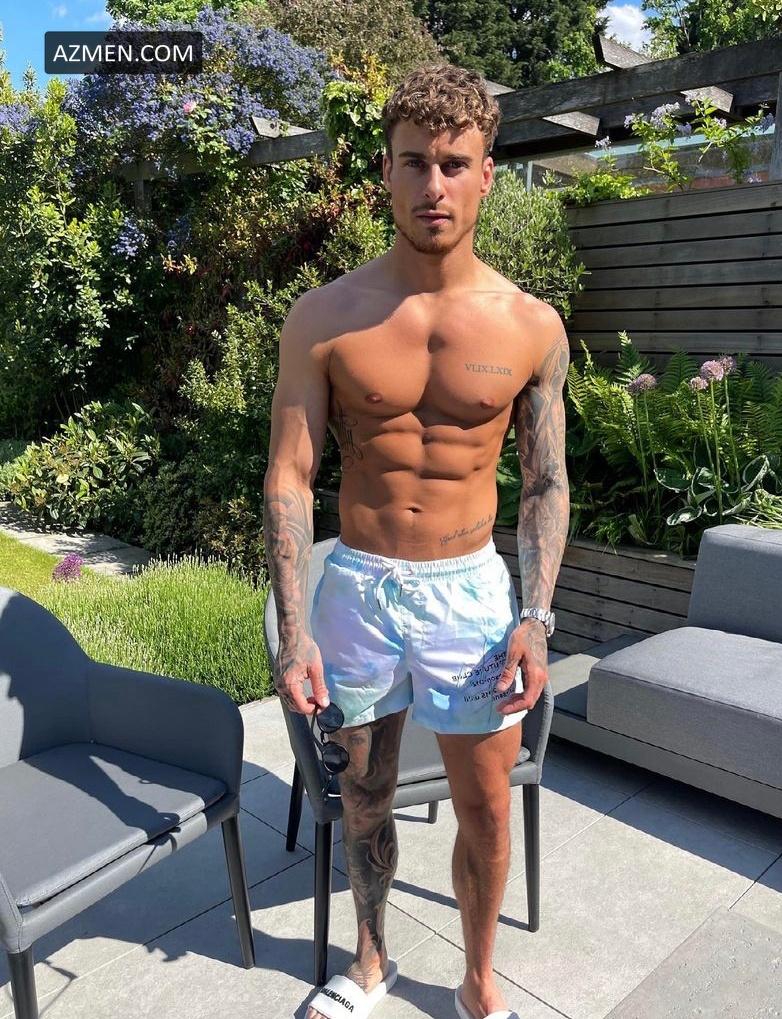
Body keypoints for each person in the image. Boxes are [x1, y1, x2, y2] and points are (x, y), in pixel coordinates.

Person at [263, 63, 569, 1019]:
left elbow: (547, 482)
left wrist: (535, 615)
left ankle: (478, 984)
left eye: (454, 163)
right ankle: (370, 963)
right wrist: (294, 630)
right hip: (356, 590)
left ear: (487, 174)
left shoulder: (532, 325)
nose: (433, 184)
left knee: (486, 804)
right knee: (364, 797)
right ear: (385, 173)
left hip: (471, 594)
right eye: (413, 162)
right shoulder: (324, 317)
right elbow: (289, 476)